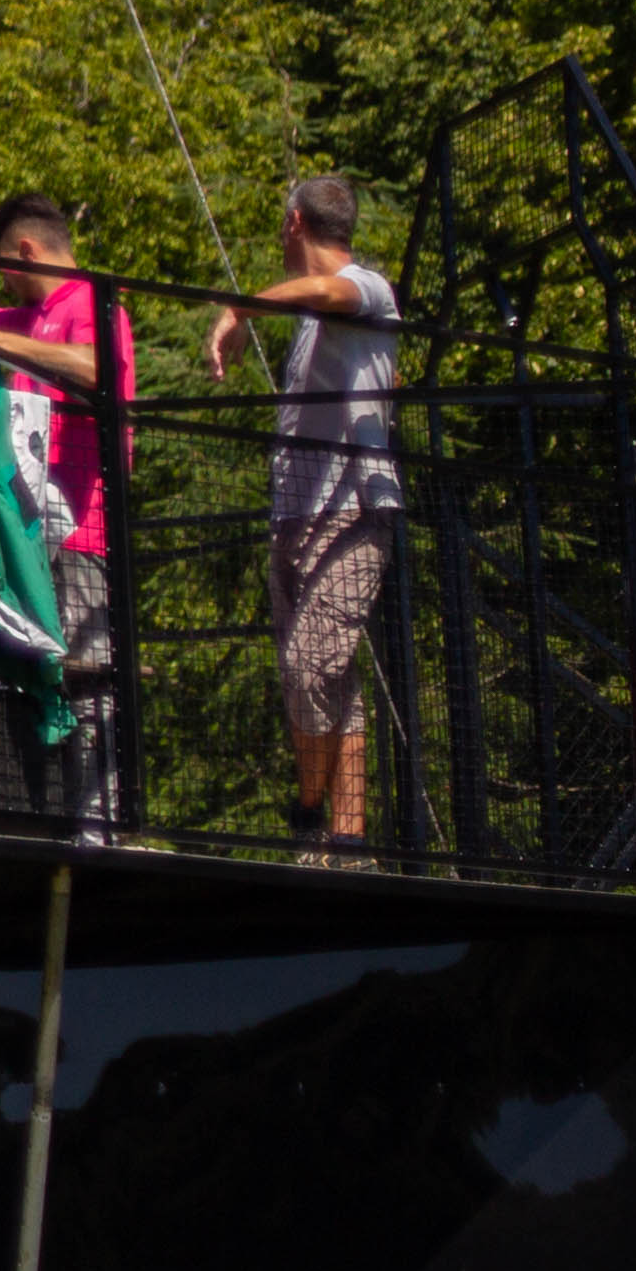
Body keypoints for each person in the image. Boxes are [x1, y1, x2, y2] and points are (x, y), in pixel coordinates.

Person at [215, 169, 404, 853]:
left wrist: (237, 310)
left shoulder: (367, 287)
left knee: (309, 667)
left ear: (295, 223)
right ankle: (342, 840)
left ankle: (307, 811)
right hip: (295, 516)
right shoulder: (315, 323)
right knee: (332, 682)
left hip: (354, 512)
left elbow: (329, 289)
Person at [0, 191, 140, 831]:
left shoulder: (91, 304)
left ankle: (100, 820)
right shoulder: (30, 315)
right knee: (32, 671)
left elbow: (97, 367)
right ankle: (47, 814)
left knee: (90, 675)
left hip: (83, 533)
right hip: (26, 537)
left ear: (26, 250)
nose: (5, 284)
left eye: (5, 268)